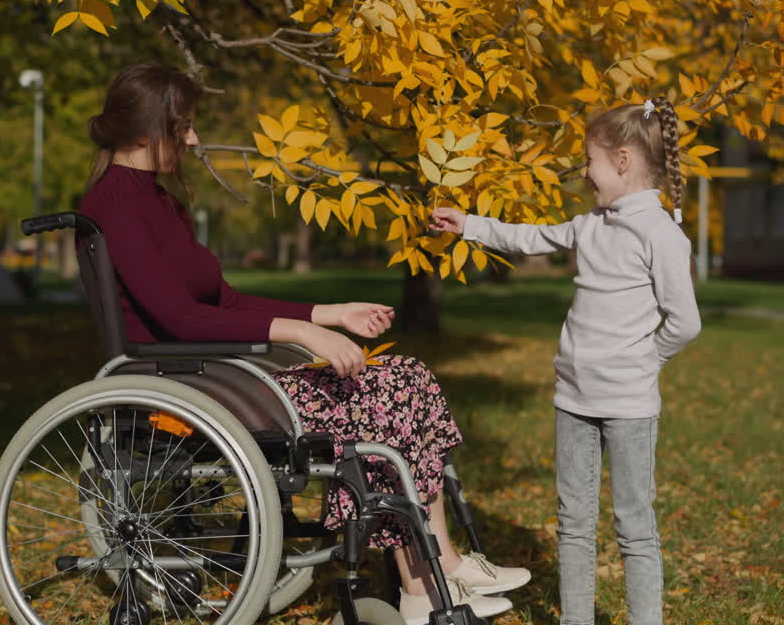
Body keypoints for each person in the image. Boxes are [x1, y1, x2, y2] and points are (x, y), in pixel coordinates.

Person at [78, 63, 531, 625]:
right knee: (380, 397)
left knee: (407, 376)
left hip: (214, 373)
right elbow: (178, 317)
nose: (193, 139)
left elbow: (224, 302)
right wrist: (300, 332)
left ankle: (441, 568)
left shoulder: (159, 201)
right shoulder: (117, 205)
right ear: (149, 129)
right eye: (183, 127)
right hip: (182, 383)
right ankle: (424, 583)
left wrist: (328, 314)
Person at [431, 97, 702, 625]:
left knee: (634, 526)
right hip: (574, 399)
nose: (585, 172)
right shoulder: (592, 224)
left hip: (629, 406)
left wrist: (647, 359)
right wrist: (469, 225)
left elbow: (685, 321)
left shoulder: (661, 234)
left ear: (622, 161)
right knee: (574, 522)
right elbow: (530, 237)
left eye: (590, 160)